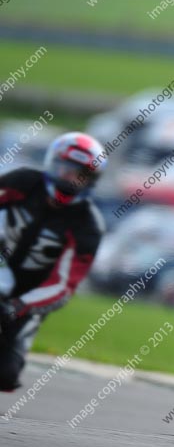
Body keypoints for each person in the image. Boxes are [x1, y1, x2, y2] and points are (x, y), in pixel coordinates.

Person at [0, 132, 106, 392]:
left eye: (81, 174)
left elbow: (63, 286)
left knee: (6, 374)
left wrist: (18, 307)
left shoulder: (88, 226)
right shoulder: (21, 182)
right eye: (66, 168)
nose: (71, 178)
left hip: (29, 299)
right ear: (52, 162)